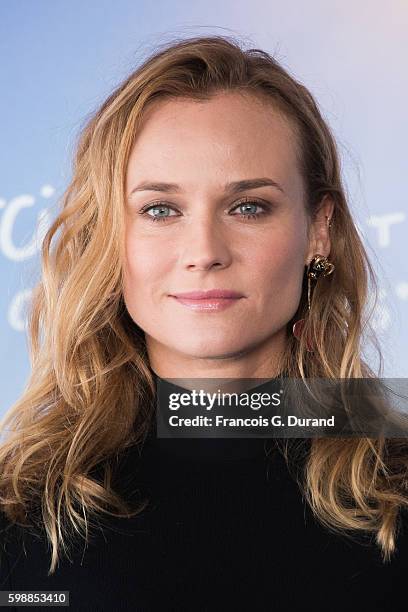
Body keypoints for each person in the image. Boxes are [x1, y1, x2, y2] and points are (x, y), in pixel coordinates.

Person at [1, 34, 407, 611]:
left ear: (318, 229)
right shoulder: (22, 506)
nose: (204, 250)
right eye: (160, 209)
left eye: (248, 207)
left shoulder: (397, 479)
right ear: (110, 239)